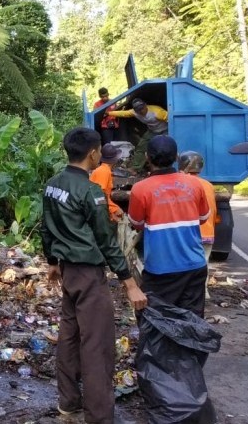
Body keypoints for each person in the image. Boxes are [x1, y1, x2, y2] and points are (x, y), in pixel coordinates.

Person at [41, 127, 147, 424]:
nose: (100, 154)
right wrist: (129, 283)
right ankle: (99, 417)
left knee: (70, 337)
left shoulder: (52, 184)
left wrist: (52, 261)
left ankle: (69, 405)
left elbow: (47, 226)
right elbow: (105, 240)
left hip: (68, 272)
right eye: (99, 149)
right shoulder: (89, 192)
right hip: (88, 274)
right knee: (97, 345)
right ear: (92, 153)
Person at [128, 136, 211, 317]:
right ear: (176, 158)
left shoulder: (140, 189)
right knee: (192, 322)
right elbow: (203, 218)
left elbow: (136, 223)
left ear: (147, 157)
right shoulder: (195, 184)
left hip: (160, 268)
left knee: (157, 320)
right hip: (194, 265)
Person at [178, 151, 219, 300]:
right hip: (207, 231)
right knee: (203, 262)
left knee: (185, 262)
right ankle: (203, 291)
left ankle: (185, 292)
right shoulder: (208, 185)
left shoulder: (181, 183)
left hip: (189, 232)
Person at [109, 98, 168, 172]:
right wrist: (109, 113)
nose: (141, 112)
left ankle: (166, 169)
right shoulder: (135, 112)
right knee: (141, 147)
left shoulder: (157, 112)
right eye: (138, 110)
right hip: (152, 131)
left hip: (166, 130)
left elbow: (172, 119)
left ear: (145, 105)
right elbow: (124, 113)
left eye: (142, 109)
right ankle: (135, 168)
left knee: (165, 148)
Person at [89, 143, 124, 223]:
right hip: (98, 210)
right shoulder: (104, 172)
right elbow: (99, 197)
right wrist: (114, 209)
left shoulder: (104, 170)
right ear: (114, 160)